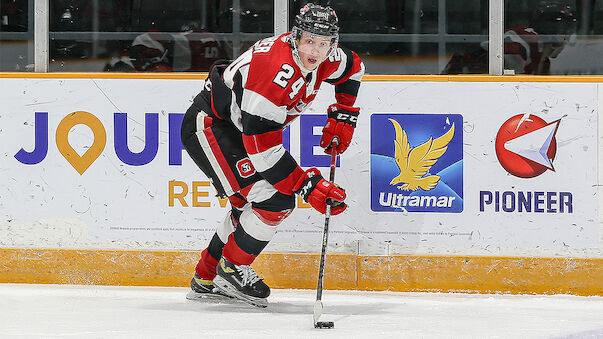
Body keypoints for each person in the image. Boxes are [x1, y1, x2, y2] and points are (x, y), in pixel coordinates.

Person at [180, 3, 364, 307]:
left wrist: (345, 113)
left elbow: (355, 69)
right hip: (212, 127)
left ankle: (206, 278)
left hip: (238, 129)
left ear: (333, 42)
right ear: (295, 36)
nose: (315, 51)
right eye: (309, 41)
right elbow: (263, 150)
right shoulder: (273, 71)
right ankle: (232, 269)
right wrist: (307, 186)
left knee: (248, 206)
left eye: (323, 43)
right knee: (275, 199)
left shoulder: (327, 55)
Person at [442, 0, 576, 75]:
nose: (567, 37)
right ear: (552, 29)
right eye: (565, 30)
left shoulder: (542, 61)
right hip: (454, 87)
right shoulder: (520, 45)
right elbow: (506, 90)